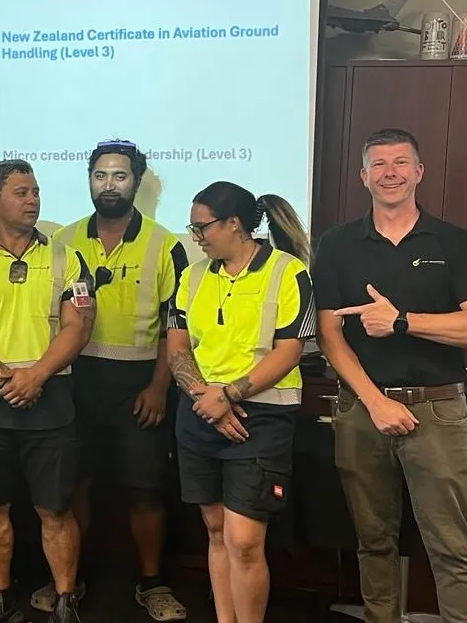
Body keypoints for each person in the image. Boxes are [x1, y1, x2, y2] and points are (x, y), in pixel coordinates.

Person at [312, 128, 467, 623]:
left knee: (452, 547)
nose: (389, 173)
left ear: (418, 172)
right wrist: (375, 402)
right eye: (378, 164)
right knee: (373, 543)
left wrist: (402, 321)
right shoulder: (336, 245)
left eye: (400, 163)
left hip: (436, 409)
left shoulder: (454, 243)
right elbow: (331, 335)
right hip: (360, 409)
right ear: (363, 176)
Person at [0, 159, 95, 623]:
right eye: (22, 192)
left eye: (36, 192)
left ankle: (66, 603)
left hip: (52, 396)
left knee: (57, 508)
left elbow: (79, 326)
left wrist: (37, 375)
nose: (33, 200)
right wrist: (8, 379)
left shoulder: (68, 258)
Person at [47, 140, 189, 621]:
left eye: (120, 176)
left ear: (137, 182)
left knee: (144, 490)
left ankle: (151, 583)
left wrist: (158, 386)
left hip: (139, 385)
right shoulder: (62, 241)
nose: (109, 185)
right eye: (101, 176)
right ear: (89, 180)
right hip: (76, 381)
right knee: (73, 486)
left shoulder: (166, 244)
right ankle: (71, 581)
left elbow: (177, 326)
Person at [166, 181, 315, 623]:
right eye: (192, 229)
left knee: (245, 541)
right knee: (215, 533)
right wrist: (205, 398)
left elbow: (290, 351)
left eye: (202, 228)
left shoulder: (288, 272)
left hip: (262, 416)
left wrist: (228, 396)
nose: (197, 237)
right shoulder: (192, 276)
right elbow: (177, 349)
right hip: (198, 411)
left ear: (234, 224)